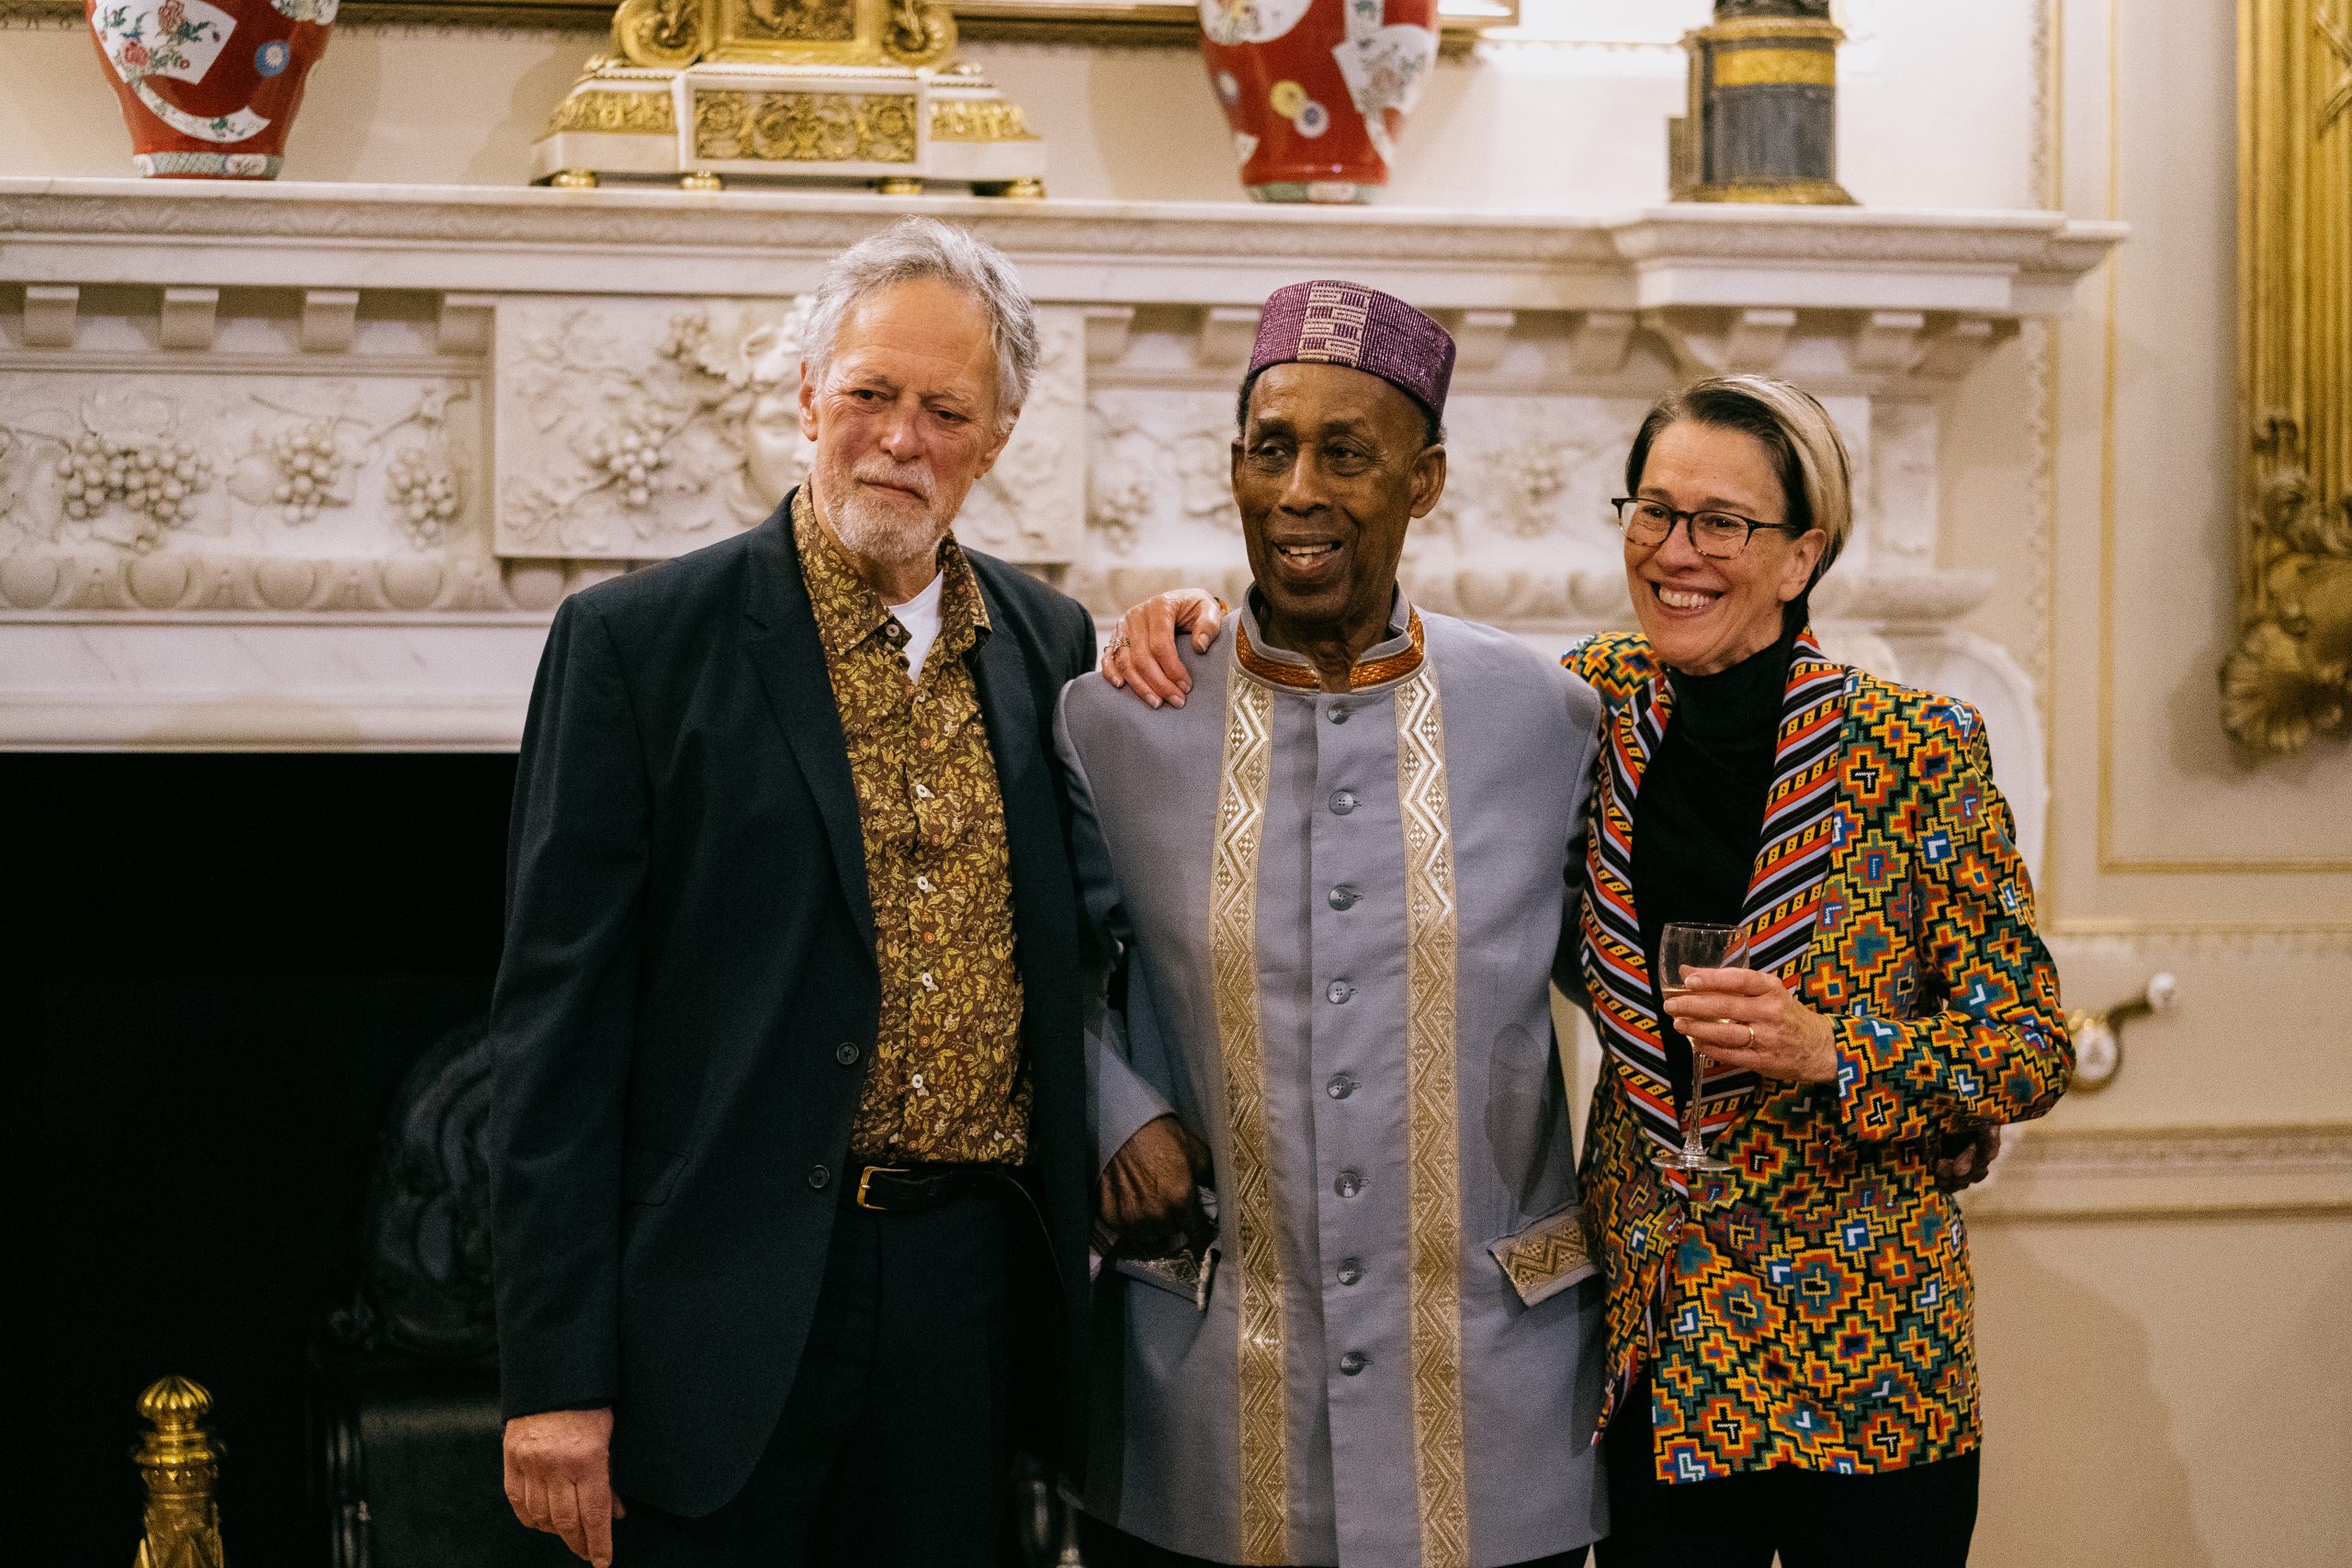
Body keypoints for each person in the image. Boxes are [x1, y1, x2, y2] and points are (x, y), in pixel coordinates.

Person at [1103, 374, 2067, 1567]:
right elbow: (1358, 686)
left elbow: (2028, 1042)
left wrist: (1838, 1053)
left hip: (1869, 1362)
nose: (1677, 551)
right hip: (1654, 1358)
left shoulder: (1918, 746)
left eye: (1723, 523)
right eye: (1653, 511)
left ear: (1802, 553)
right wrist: (1190, 622)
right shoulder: (1577, 706)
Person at [487, 218, 1098, 1568]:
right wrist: (553, 1376)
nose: (900, 438)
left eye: (946, 410)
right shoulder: (634, 646)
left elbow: (1097, 939)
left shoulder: (1050, 643)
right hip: (716, 1302)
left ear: (995, 439)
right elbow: (553, 1039)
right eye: (871, 392)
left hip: (966, 1294)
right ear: (807, 395)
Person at [1060, 280, 1611, 1568]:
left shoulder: (1550, 717)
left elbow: (1643, 976)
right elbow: (1020, 949)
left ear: (1423, 483)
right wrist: (1108, 1104)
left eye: (1346, 454)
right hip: (1194, 1419)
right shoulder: (1117, 717)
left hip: (1497, 1422)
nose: (1299, 489)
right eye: (1271, 450)